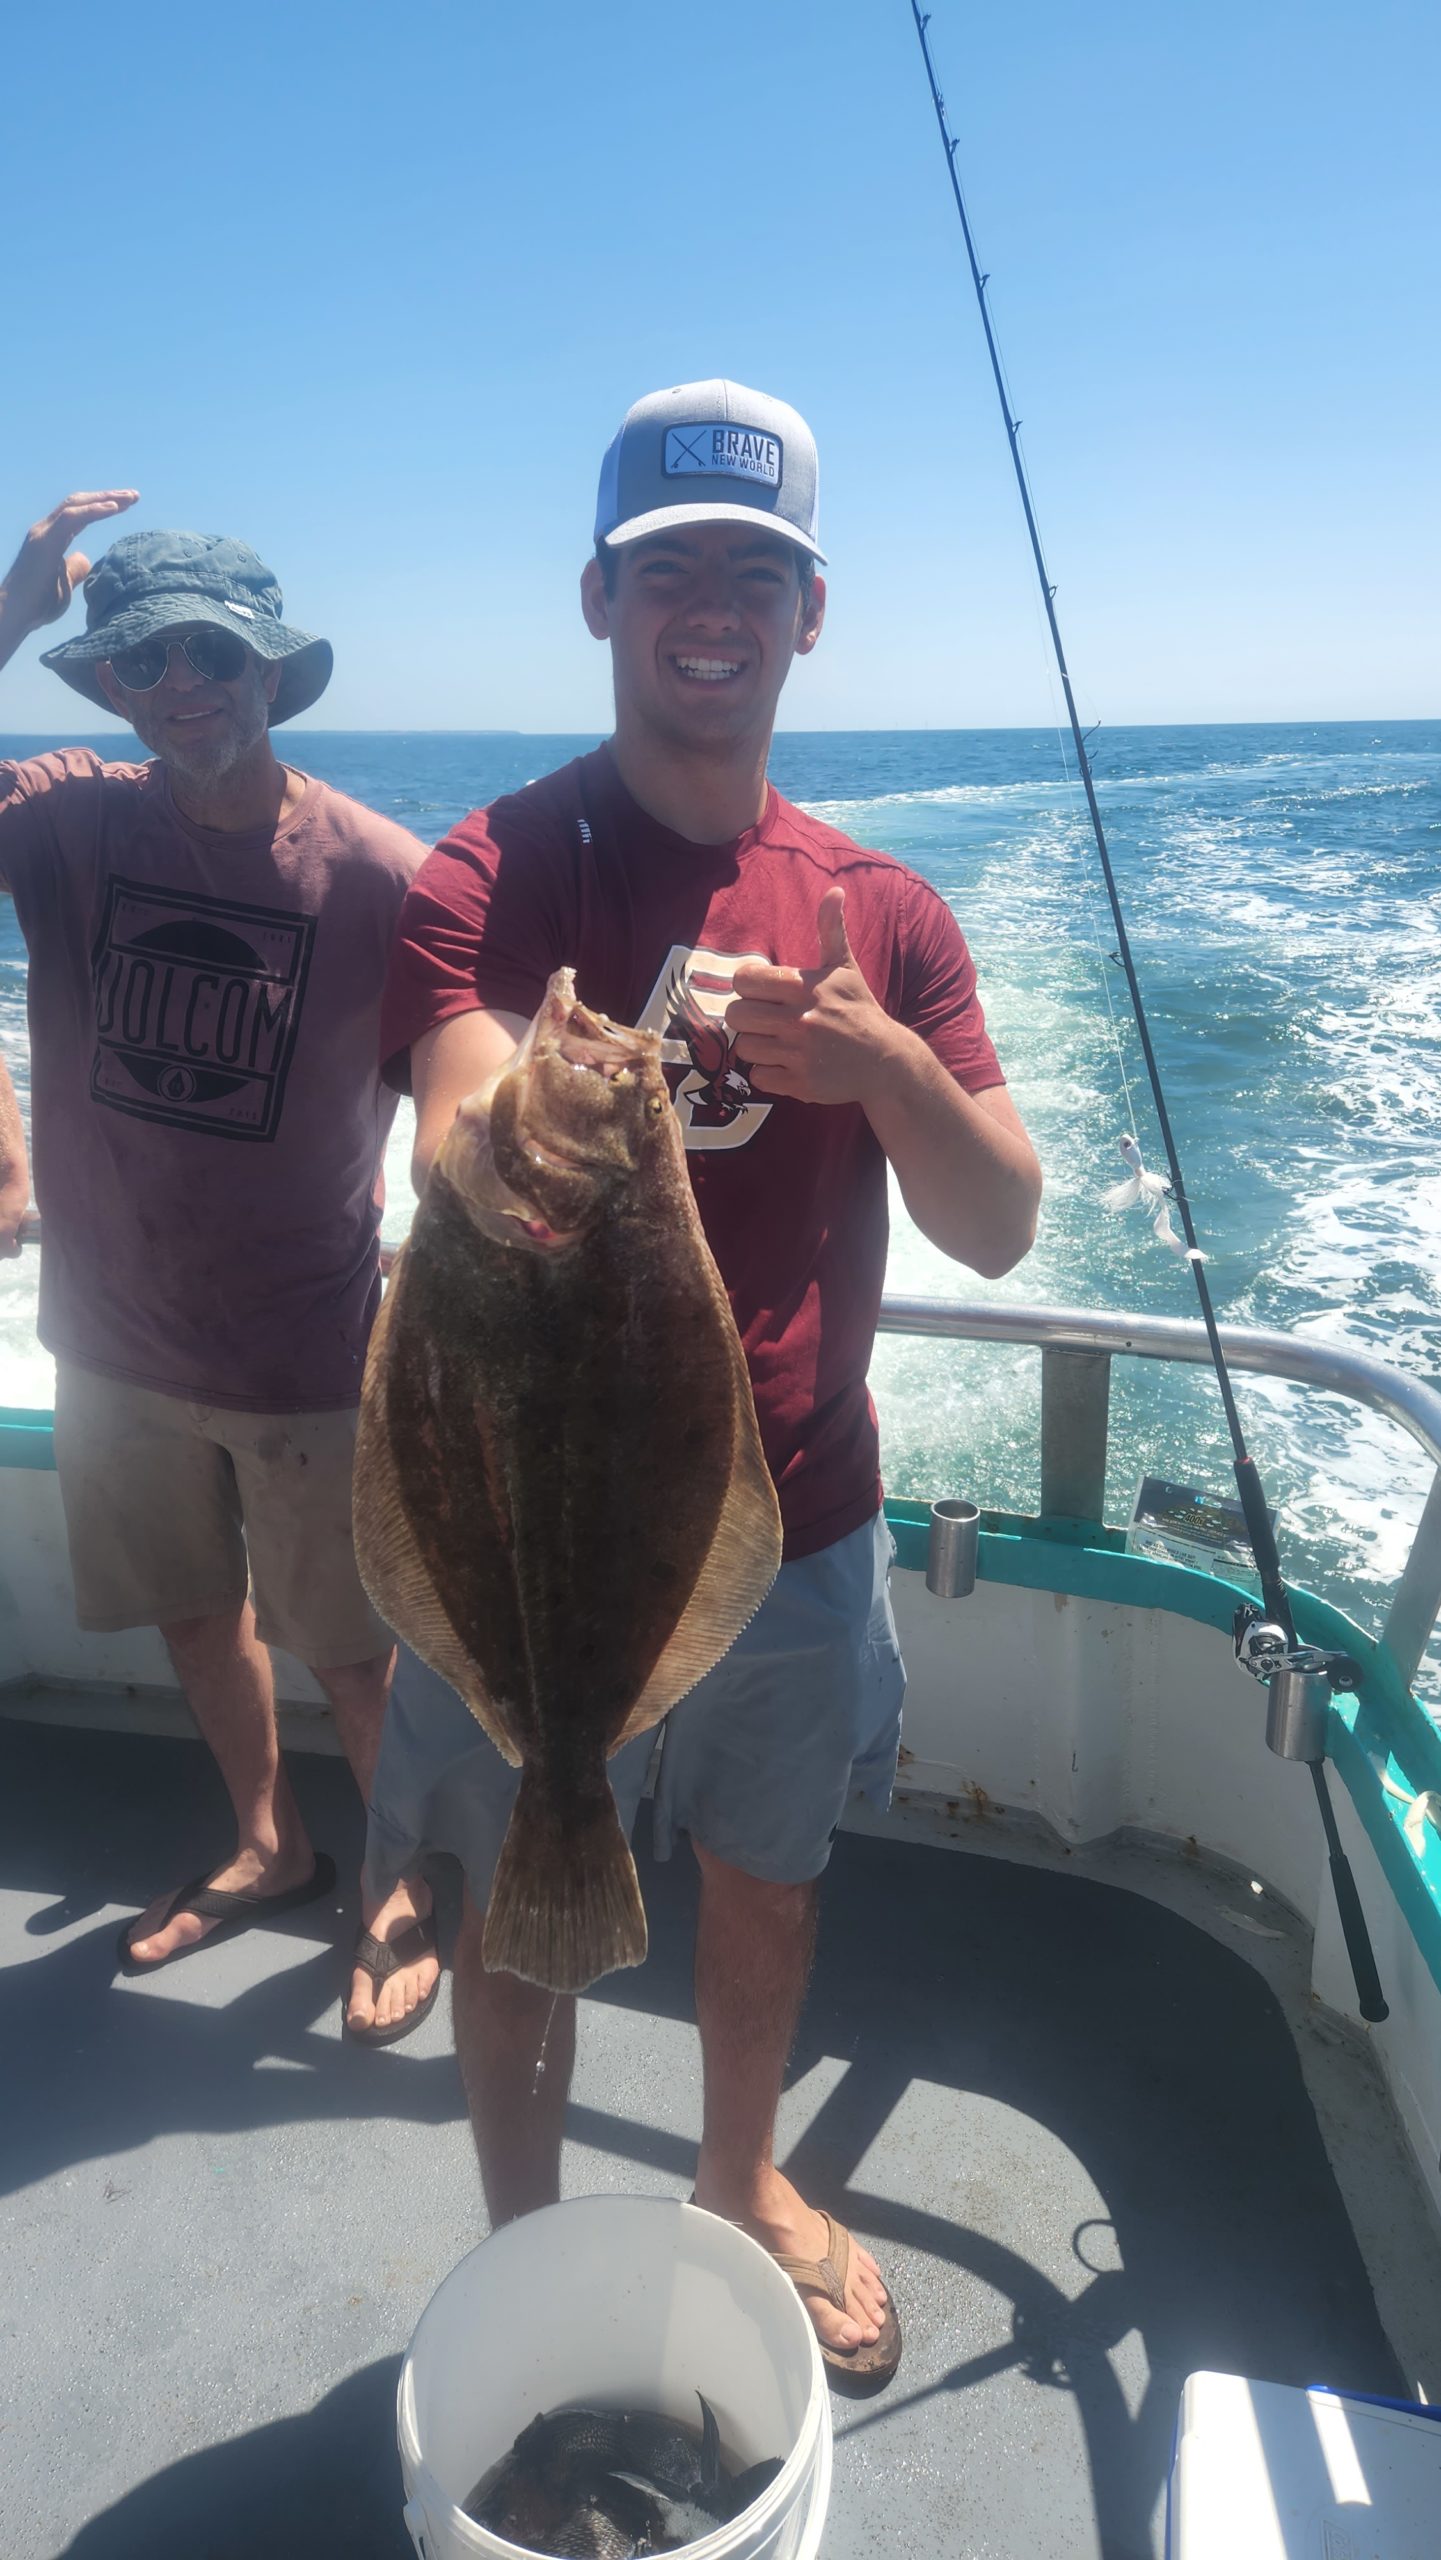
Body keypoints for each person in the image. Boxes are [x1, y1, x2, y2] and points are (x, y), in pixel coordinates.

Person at [364, 381, 1043, 2375]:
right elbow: (455, 1115)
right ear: (600, 598)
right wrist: (542, 1090)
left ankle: (741, 2170)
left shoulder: (880, 910)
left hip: (793, 1530)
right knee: (506, 1894)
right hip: (513, 1519)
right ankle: (522, 2232)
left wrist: (883, 1070)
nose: (713, 608)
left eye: (757, 573)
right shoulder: (494, 868)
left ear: (808, 618)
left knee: (766, 1880)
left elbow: (997, 1222)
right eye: (672, 572)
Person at [0, 493, 440, 2042]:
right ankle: (271, 1843)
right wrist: (8, 609)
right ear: (109, 692)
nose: (178, 685)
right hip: (112, 1339)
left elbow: (473, 1092)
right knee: (197, 1619)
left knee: (354, 1655)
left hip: (305, 1347)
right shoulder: (62, 820)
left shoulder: (383, 876)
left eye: (209, 653)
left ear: (269, 668)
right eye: (139, 665)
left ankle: (400, 1887)